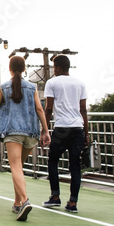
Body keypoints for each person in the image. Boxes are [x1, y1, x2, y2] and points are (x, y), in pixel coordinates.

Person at [0, 56, 50, 221]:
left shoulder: (3, 87)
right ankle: (17, 202)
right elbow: (40, 109)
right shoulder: (31, 87)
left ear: (10, 69)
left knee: (15, 167)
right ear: (24, 69)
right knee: (18, 167)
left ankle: (25, 200)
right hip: (30, 132)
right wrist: (46, 131)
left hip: (13, 133)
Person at [42, 54, 88, 213]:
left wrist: (45, 130)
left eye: (54, 67)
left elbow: (48, 109)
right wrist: (86, 133)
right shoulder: (80, 83)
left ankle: (55, 197)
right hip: (77, 129)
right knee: (75, 166)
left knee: (53, 160)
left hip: (61, 128)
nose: (53, 70)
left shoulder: (52, 83)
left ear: (59, 68)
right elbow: (83, 110)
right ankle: (73, 203)